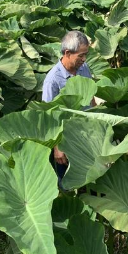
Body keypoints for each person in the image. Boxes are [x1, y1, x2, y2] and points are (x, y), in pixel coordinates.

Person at [42, 30, 92, 185]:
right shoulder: (53, 80)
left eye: (86, 55)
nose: (84, 59)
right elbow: (48, 118)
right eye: (81, 55)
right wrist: (57, 147)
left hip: (86, 133)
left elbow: (90, 97)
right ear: (68, 53)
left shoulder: (84, 69)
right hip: (65, 139)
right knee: (67, 183)